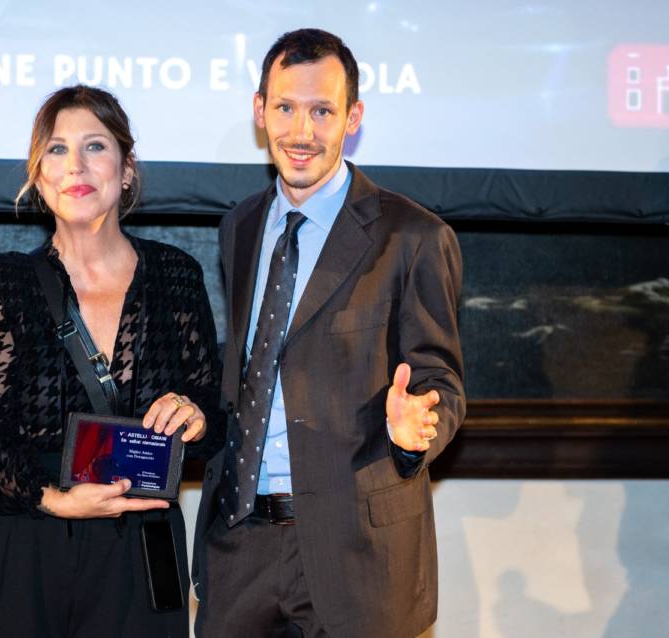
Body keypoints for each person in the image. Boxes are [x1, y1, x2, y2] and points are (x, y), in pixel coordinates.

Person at [192, 29, 465, 637]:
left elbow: (440, 383)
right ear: (260, 110)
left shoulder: (414, 237)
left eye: (322, 111)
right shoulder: (240, 226)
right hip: (239, 547)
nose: (302, 131)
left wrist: (416, 430)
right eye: (286, 108)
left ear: (353, 118)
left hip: (356, 556)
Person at [0, 85, 221, 638]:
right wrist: (55, 500)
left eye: (95, 146)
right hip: (21, 538)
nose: (76, 165)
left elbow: (214, 416)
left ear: (127, 168)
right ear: (39, 175)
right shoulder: (9, 282)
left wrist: (197, 417)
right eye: (57, 149)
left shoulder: (177, 276)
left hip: (140, 547)